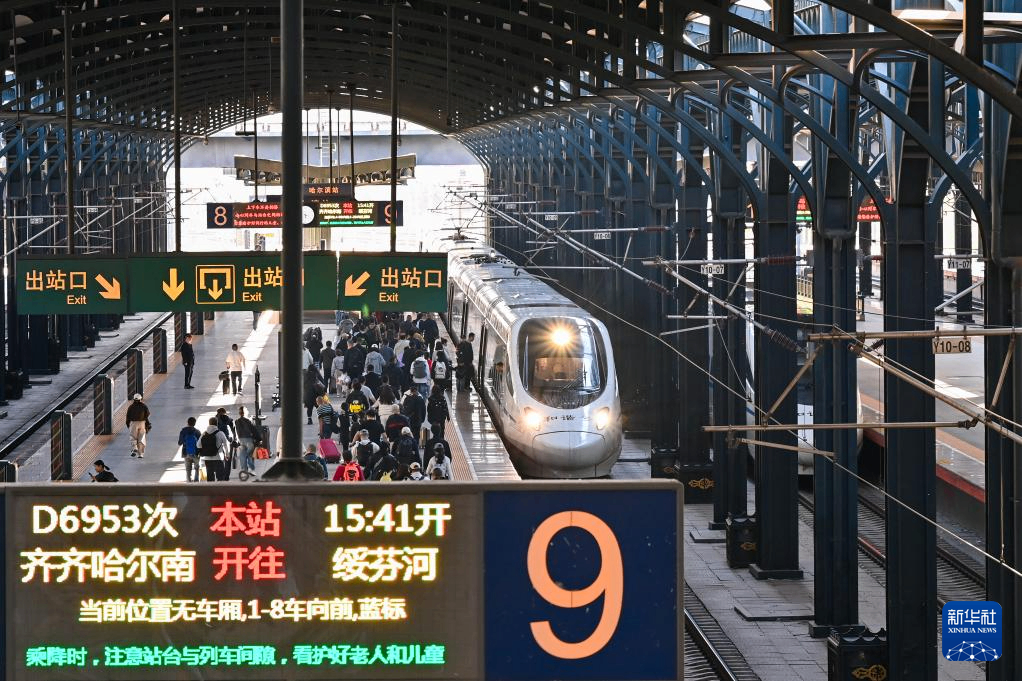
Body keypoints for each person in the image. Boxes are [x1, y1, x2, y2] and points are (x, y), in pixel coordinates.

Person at [200, 417, 229, 481]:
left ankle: (211, 487)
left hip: (207, 458)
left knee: (210, 478)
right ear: (217, 424)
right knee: (220, 477)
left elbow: (198, 445)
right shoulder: (220, 433)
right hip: (218, 458)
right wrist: (227, 455)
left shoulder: (204, 433)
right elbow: (226, 445)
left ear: (209, 423)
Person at [234, 406, 260, 475]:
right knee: (250, 455)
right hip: (249, 439)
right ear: (245, 412)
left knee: (242, 455)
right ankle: (251, 469)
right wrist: (259, 439)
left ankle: (244, 470)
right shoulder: (249, 421)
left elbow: (236, 431)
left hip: (241, 440)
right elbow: (254, 430)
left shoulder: (236, 421)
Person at [177, 416, 203, 482]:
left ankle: (189, 482)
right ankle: (196, 480)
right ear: (195, 423)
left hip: (186, 452)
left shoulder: (183, 431)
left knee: (188, 469)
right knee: (197, 468)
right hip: (196, 452)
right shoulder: (197, 432)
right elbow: (200, 443)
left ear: (187, 423)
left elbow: (179, 443)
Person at [215, 407, 237, 479]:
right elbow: (234, 432)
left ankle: (220, 475)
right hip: (229, 441)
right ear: (225, 412)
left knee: (219, 458)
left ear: (218, 413)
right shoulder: (230, 420)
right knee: (228, 459)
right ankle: (226, 476)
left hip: (218, 441)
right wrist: (235, 440)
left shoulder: (215, 420)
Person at [126, 393, 150, 458]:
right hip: (142, 423)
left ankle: (134, 448)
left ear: (134, 399)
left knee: (133, 436)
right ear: (140, 399)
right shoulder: (144, 406)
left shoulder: (131, 407)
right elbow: (148, 414)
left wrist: (128, 424)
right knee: (141, 438)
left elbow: (128, 416)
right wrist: (144, 420)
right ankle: (140, 454)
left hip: (133, 423)